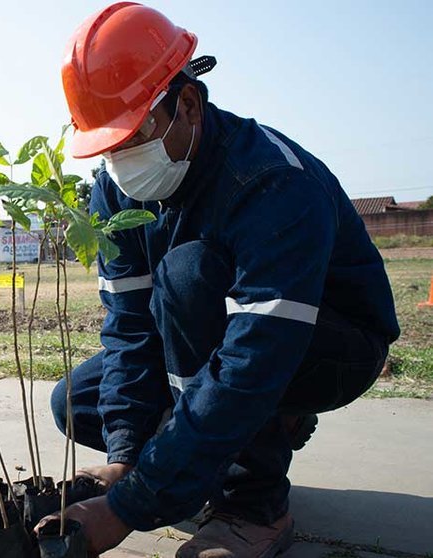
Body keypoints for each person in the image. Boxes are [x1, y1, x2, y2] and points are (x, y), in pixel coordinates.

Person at [37, 3, 400, 557]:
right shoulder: (115, 190)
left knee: (187, 276)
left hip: (325, 344)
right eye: (107, 144)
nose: (120, 161)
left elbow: (257, 354)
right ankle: (216, 444)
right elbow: (130, 328)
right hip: (229, 342)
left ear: (187, 103)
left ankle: (253, 504)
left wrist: (128, 509)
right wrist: (126, 459)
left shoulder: (270, 182)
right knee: (77, 401)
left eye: (134, 135)